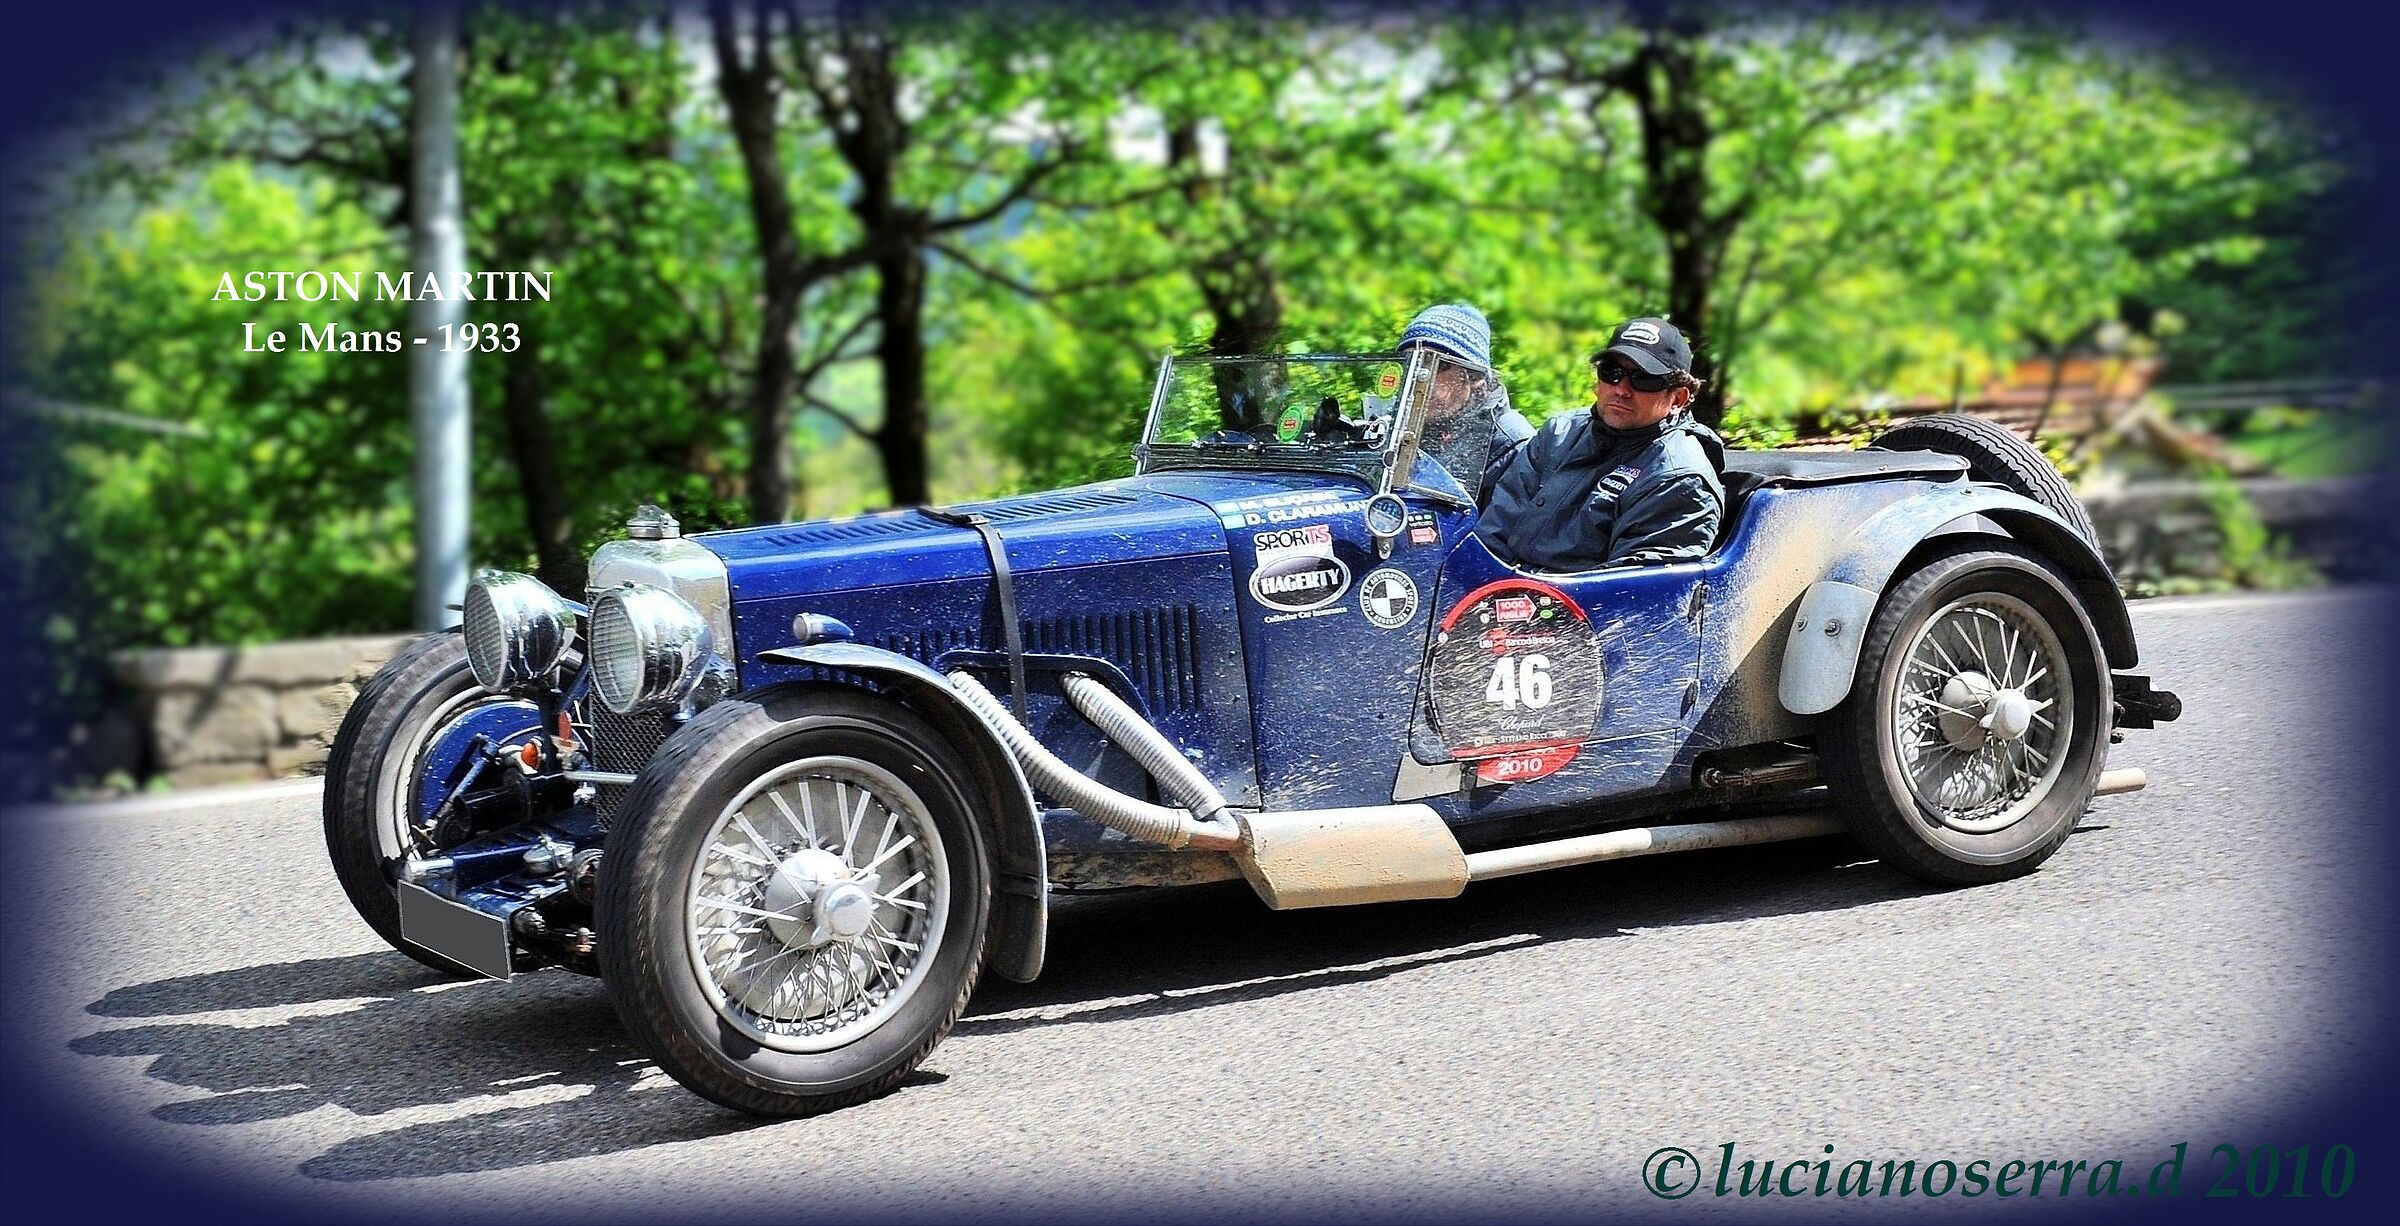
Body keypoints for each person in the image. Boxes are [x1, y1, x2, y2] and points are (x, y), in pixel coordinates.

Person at [1478, 316, 1725, 571]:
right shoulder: (1558, 433)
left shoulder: (1679, 478)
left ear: (1678, 398)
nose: (1621, 389)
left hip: (1578, 606)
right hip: (1495, 592)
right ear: (1598, 382)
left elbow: (1630, 592)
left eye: (1644, 379)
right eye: (1611, 372)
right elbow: (1490, 536)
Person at [1394, 303, 1534, 501]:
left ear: (1475, 376)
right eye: (1409, 363)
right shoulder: (1400, 428)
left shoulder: (1514, 445)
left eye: (1438, 365)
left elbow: (1508, 529)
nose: (1419, 376)